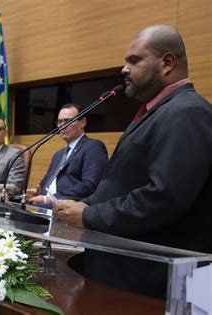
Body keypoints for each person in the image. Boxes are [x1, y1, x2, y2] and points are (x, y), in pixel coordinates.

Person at [55, 25, 212, 298]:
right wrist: (86, 203)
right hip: (122, 269)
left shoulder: (188, 112)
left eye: (134, 60)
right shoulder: (156, 112)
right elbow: (123, 183)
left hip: (150, 282)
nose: (124, 69)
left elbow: (164, 197)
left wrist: (90, 215)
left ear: (167, 62)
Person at [26, 104, 108, 208]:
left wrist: (50, 198)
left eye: (68, 121)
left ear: (82, 122)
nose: (63, 126)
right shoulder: (58, 154)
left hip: (69, 205)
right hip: (48, 205)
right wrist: (39, 192)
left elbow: (90, 185)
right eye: (60, 122)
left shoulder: (93, 147)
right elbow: (47, 181)